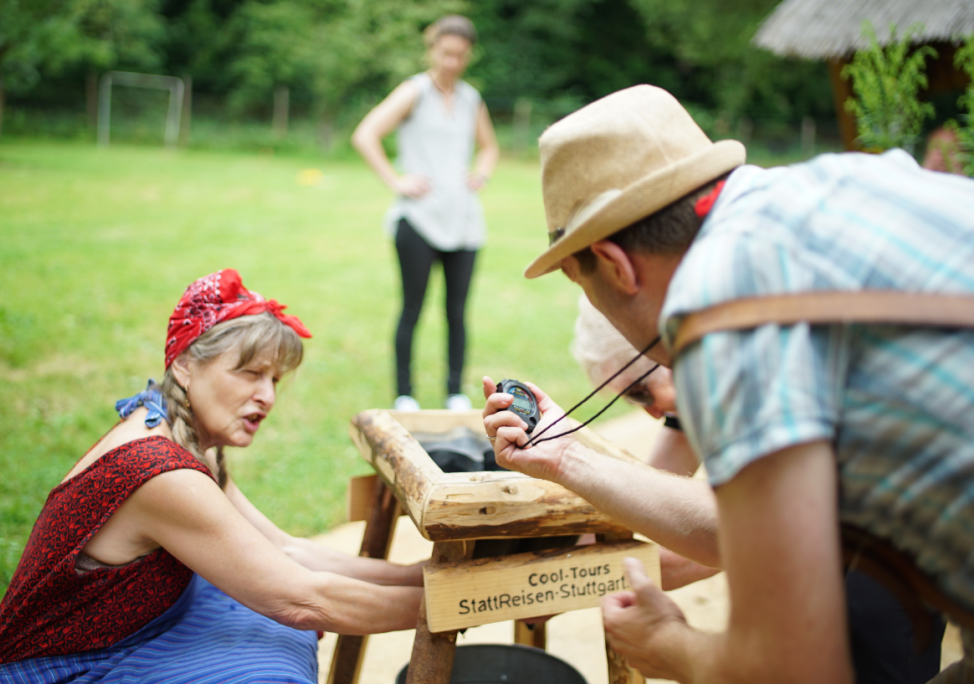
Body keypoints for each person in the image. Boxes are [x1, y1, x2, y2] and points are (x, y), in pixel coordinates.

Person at [482, 85, 974, 682]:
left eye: (581, 285)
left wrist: (668, 646)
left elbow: (793, 667)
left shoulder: (723, 309)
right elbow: (745, 529)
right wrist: (567, 457)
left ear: (615, 265)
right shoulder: (834, 188)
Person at [0, 269, 424, 684]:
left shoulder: (175, 427)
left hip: (143, 627)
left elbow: (285, 550)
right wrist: (457, 603)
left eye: (275, 380)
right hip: (66, 668)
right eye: (249, 373)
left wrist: (419, 577)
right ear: (184, 366)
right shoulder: (160, 472)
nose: (267, 396)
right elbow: (300, 600)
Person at [572, 293, 947, 681]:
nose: (650, 411)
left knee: (869, 632)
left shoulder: (764, 361)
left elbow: (741, 533)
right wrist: (575, 552)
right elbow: (658, 473)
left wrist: (582, 582)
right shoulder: (700, 363)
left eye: (640, 392)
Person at [352, 14, 499, 413]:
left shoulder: (471, 99)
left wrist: (481, 173)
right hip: (418, 220)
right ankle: (405, 394)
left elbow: (489, 147)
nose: (452, 62)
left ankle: (455, 391)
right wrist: (396, 181)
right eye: (445, 53)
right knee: (413, 308)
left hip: (464, 222)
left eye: (460, 55)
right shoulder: (413, 91)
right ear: (432, 48)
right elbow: (365, 134)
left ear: (468, 55)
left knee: (457, 312)